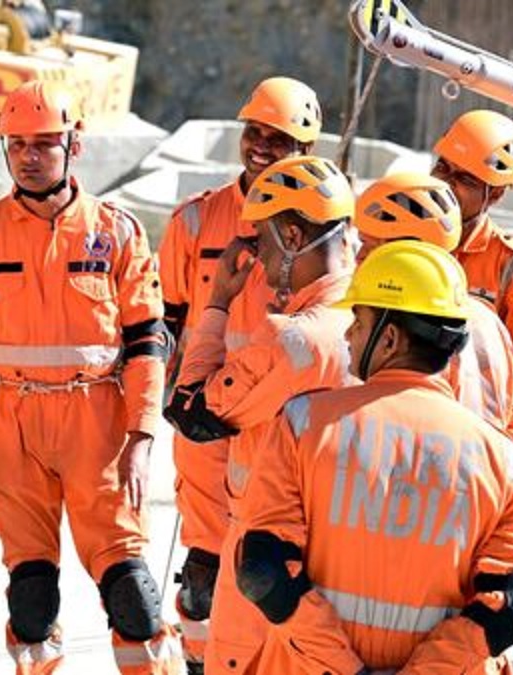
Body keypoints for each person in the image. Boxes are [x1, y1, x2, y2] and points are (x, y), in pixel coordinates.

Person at [0, 80, 181, 674]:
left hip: (98, 425)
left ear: (75, 144)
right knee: (32, 594)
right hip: (7, 427)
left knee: (133, 594)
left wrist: (143, 437)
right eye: (17, 144)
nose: (29, 155)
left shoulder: (118, 232)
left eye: (45, 143)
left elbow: (148, 341)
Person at [237, 240, 513, 673]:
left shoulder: (304, 423)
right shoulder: (503, 460)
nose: (347, 334)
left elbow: (264, 573)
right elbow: (512, 609)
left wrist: (346, 669)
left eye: (357, 322)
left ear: (391, 338)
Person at [164, 155, 358, 674]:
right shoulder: (375, 325)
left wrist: (219, 300)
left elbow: (190, 411)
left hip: (266, 557)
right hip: (348, 556)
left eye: (264, 240)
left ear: (293, 236)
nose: (258, 257)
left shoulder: (294, 337)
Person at [156, 76, 322, 670]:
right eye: (254, 131)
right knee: (201, 587)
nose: (260, 145)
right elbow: (167, 326)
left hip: (282, 439)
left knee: (272, 584)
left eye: (277, 139)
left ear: (306, 150)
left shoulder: (325, 228)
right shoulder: (196, 222)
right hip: (206, 434)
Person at [354, 172, 513, 476]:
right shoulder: (488, 320)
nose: (359, 256)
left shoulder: (402, 329)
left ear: (409, 253)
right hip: (479, 491)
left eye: (370, 245)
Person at [430, 110, 513, 397]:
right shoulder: (397, 234)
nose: (447, 183)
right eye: (443, 168)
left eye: (465, 179)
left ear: (495, 195)